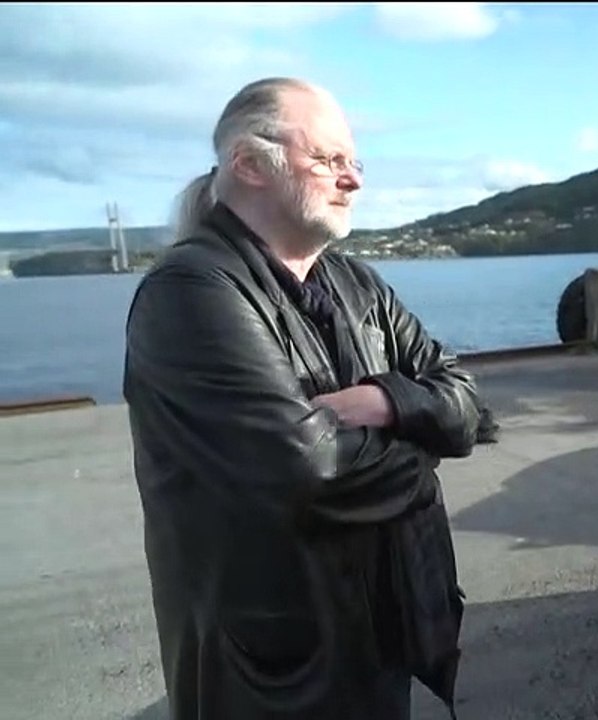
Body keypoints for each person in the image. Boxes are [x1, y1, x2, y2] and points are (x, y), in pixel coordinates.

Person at [123, 77, 482, 720]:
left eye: (354, 162)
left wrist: (386, 401)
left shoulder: (356, 284)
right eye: (329, 159)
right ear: (249, 164)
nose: (353, 181)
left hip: (378, 640)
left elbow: (466, 409)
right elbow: (304, 471)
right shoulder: (191, 291)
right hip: (269, 675)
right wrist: (420, 448)